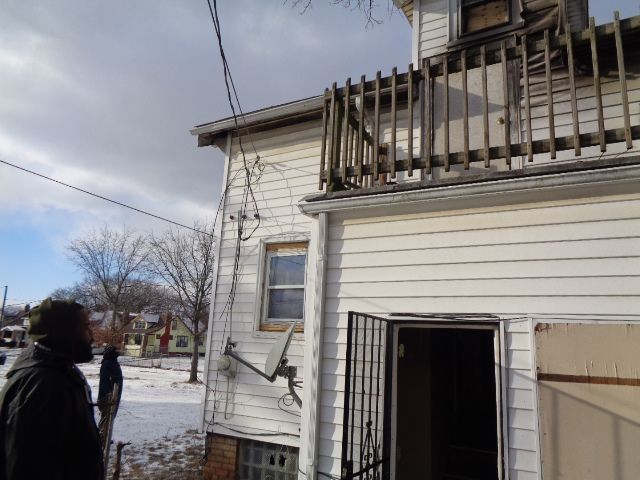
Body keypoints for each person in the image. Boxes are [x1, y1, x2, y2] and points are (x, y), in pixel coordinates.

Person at [0, 298, 103, 480]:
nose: (91, 335)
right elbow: (27, 468)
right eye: (86, 327)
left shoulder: (59, 372)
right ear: (64, 332)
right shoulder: (41, 384)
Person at [97, 344, 123, 438]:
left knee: (110, 417)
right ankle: (101, 437)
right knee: (106, 417)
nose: (117, 352)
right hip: (108, 397)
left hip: (115, 394)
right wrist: (109, 394)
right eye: (115, 351)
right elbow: (104, 381)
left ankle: (104, 436)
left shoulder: (113, 362)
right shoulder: (107, 363)